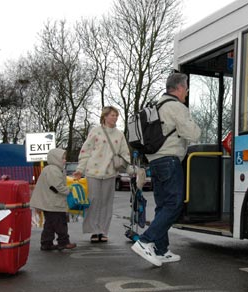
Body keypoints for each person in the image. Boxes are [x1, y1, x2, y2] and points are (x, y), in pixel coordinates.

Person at [131, 72, 201, 266]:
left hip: (155, 161)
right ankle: (145, 241)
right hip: (170, 160)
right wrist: (197, 127)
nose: (186, 92)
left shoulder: (156, 106)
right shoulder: (177, 107)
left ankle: (161, 250)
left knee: (162, 205)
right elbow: (192, 133)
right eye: (185, 88)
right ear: (178, 88)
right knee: (174, 204)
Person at [73, 106, 130, 243]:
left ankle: (103, 231)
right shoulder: (95, 131)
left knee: (106, 203)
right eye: (112, 115)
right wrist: (80, 169)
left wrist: (130, 170)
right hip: (93, 172)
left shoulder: (119, 134)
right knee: (93, 202)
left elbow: (125, 154)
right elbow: (85, 151)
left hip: (110, 173)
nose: (115, 118)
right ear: (105, 117)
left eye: (116, 115)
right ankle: (94, 231)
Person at [30, 148, 77, 251]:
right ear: (56, 159)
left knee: (50, 224)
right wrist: (69, 190)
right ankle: (63, 242)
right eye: (63, 158)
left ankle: (46, 243)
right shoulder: (53, 170)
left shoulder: (51, 169)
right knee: (60, 223)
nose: (65, 160)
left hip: (49, 202)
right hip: (53, 202)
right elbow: (57, 186)